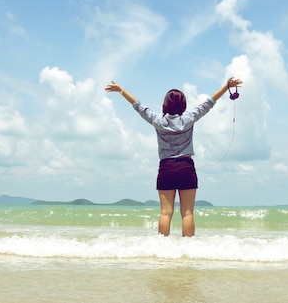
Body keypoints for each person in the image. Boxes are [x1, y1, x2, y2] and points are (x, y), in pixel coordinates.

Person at [104, 77, 243, 237]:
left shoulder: (158, 121)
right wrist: (226, 87)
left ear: (165, 104)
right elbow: (209, 103)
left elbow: (138, 106)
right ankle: (188, 249)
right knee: (188, 213)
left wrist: (121, 91)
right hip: (186, 167)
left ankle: (163, 250)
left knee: (165, 213)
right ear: (183, 105)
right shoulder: (189, 118)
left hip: (166, 167)